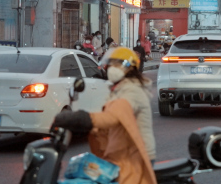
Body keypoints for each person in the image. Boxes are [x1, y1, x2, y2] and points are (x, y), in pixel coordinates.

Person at [54, 47, 156, 184]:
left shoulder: (132, 91)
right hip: (121, 153)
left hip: (134, 156)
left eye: (115, 65)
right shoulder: (118, 90)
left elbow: (113, 117)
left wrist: (84, 118)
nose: (109, 68)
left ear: (127, 67)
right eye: (110, 64)